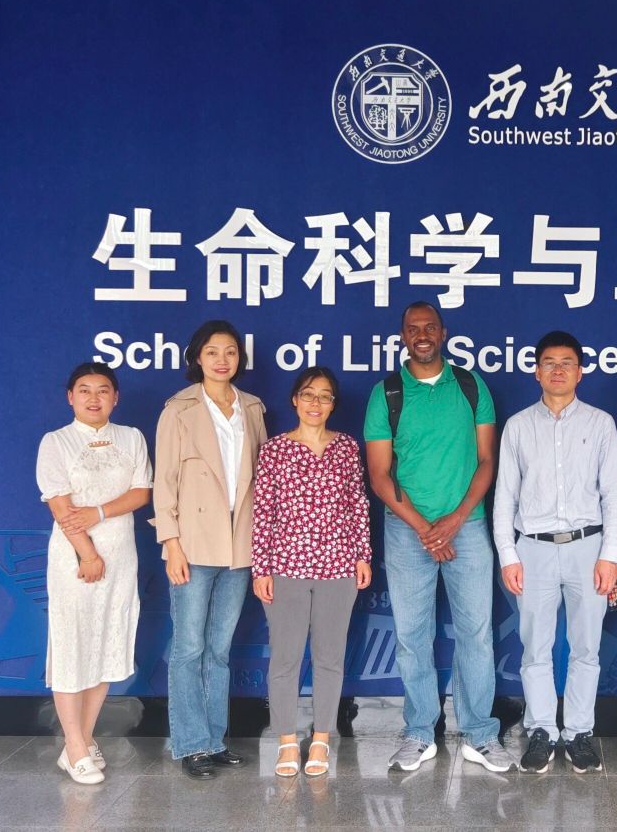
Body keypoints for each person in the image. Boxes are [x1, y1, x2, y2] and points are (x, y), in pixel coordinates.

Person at [363, 301, 513, 774]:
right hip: (408, 532)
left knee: (476, 634)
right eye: (413, 328)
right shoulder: (386, 393)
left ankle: (480, 734)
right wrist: (426, 528)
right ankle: (419, 733)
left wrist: (456, 518)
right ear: (403, 336)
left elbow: (487, 461)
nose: (422, 334)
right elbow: (379, 475)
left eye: (430, 327)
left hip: (466, 528)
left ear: (443, 333)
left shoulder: (470, 385)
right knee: (412, 636)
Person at [495, 330, 617, 774]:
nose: (557, 370)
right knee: (535, 646)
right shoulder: (518, 426)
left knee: (586, 646)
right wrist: (508, 555)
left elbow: (614, 495)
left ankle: (579, 732)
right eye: (549, 362)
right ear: (536, 371)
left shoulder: (600, 423)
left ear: (580, 371)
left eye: (566, 362)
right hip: (532, 549)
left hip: (588, 548)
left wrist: (609, 554)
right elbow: (504, 496)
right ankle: (541, 731)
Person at [152, 320, 267, 778]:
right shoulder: (178, 409)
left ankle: (214, 740)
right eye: (213, 351)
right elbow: (164, 482)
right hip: (194, 545)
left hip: (239, 547)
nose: (222, 360)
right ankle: (191, 743)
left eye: (231, 351)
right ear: (197, 357)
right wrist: (171, 543)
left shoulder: (251, 408)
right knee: (189, 647)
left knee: (219, 649)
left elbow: (261, 480)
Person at [252, 367, 372, 778]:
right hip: (286, 565)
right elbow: (263, 512)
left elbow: (358, 504)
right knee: (285, 658)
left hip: (338, 566)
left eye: (324, 396)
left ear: (333, 404)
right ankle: (287, 741)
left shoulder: (346, 447)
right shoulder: (274, 450)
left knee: (329, 658)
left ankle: (321, 738)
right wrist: (261, 567)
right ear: (294, 400)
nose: (315, 403)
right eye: (308, 394)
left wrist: (362, 555)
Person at [37, 362, 151, 785]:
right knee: (72, 645)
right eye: (84, 390)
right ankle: (74, 744)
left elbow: (141, 492)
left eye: (103, 390)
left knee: (106, 642)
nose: (93, 397)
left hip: (120, 554)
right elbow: (61, 506)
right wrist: (86, 554)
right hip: (74, 558)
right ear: (70, 397)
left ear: (115, 397)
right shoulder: (56, 442)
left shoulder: (131, 437)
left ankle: (81, 741)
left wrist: (100, 512)